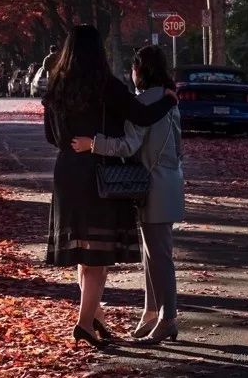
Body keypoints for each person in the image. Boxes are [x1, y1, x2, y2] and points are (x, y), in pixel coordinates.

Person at [43, 24, 177, 349]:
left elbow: (50, 135)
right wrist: (168, 100)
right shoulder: (105, 85)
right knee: (97, 258)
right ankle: (84, 323)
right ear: (98, 51)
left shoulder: (57, 86)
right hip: (97, 172)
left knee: (82, 254)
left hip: (66, 171)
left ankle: (96, 316)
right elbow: (142, 116)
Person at [71, 45, 184, 345]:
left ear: (141, 69)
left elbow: (127, 146)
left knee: (159, 256)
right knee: (154, 254)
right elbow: (178, 145)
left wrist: (93, 144)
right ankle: (151, 311)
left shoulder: (143, 102)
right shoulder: (170, 99)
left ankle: (167, 317)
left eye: (134, 68)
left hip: (151, 184)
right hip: (171, 180)